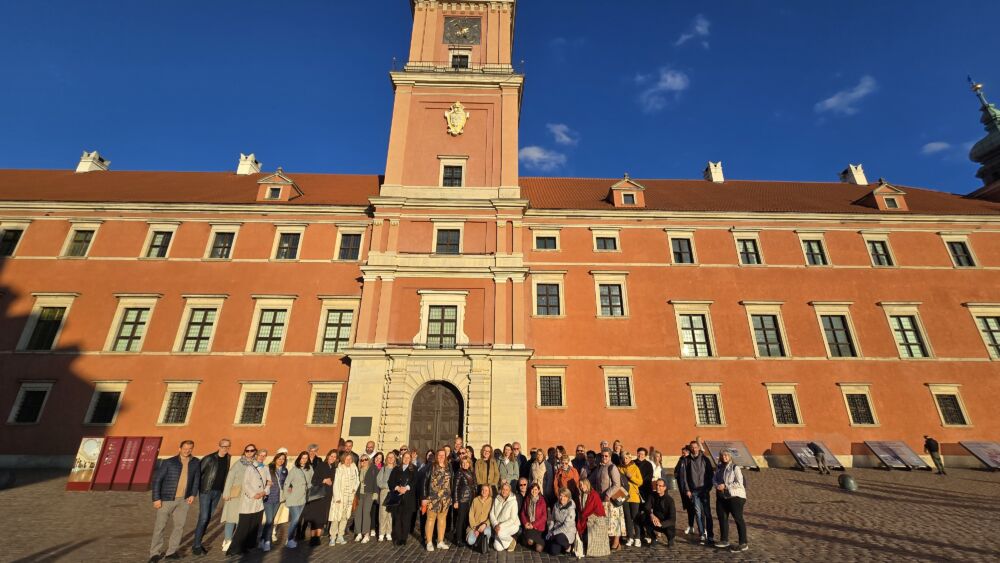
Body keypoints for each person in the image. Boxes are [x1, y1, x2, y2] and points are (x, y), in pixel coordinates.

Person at [149, 440, 200, 562]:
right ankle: (154, 553)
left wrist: (193, 494)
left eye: (190, 448)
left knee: (179, 526)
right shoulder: (169, 462)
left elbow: (196, 479)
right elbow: (157, 480)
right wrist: (156, 498)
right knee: (160, 527)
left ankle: (171, 552)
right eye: (185, 448)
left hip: (184, 500)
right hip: (166, 499)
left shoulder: (195, 462)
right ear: (179, 448)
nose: (187, 451)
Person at [227, 444, 269, 556]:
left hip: (259, 501)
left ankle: (247, 546)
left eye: (264, 456)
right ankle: (234, 548)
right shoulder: (250, 467)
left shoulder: (266, 468)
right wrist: (254, 494)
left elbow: (269, 483)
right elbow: (245, 483)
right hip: (249, 500)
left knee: (254, 524)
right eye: (260, 455)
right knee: (244, 525)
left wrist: (264, 492)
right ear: (257, 455)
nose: (262, 457)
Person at [191, 438, 230, 556]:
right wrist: (195, 491)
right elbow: (198, 473)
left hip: (217, 492)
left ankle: (198, 541)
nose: (225, 448)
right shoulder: (209, 458)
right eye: (223, 446)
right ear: (219, 446)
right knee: (203, 517)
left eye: (228, 446)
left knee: (208, 517)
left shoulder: (228, 458)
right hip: (206, 491)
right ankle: (196, 545)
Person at [220, 444, 256, 553]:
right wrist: (226, 493)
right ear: (244, 452)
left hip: (248, 496)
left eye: (252, 450)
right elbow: (230, 478)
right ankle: (227, 540)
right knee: (231, 518)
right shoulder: (238, 463)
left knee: (242, 519)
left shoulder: (256, 464)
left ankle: (237, 540)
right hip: (235, 494)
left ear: (255, 451)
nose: (249, 452)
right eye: (247, 450)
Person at [679, 441, 714, 544]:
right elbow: (684, 476)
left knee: (707, 513)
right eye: (692, 447)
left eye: (695, 447)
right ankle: (702, 534)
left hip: (704, 490)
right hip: (694, 491)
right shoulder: (686, 460)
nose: (694, 449)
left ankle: (710, 535)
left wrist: (708, 488)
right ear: (690, 448)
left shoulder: (705, 459)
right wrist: (687, 489)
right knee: (698, 513)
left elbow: (710, 475)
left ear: (698, 447)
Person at [713, 450, 748, 552]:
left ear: (730, 456)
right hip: (721, 496)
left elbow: (740, 482)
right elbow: (714, 479)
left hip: (735, 496)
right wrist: (716, 485)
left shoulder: (735, 467)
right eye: (722, 455)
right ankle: (724, 540)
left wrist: (725, 486)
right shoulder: (719, 467)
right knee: (722, 518)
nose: (724, 457)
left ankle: (743, 543)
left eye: (726, 455)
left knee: (738, 519)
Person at [593, 448, 625, 550]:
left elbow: (617, 484)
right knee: (608, 521)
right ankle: (611, 541)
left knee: (614, 521)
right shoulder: (600, 467)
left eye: (606, 456)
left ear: (610, 456)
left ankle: (616, 543)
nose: (604, 457)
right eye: (602, 456)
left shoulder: (612, 467)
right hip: (602, 499)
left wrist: (608, 494)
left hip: (611, 499)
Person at [422, 449, 453, 551]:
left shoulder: (449, 466)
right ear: (436, 456)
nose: (441, 457)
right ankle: (429, 542)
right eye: (439, 455)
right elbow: (425, 481)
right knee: (431, 518)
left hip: (445, 498)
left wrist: (451, 495)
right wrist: (424, 497)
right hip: (433, 497)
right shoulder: (431, 466)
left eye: (443, 455)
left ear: (445, 456)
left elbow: (451, 481)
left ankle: (440, 541)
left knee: (442, 519)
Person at [302, 449, 335, 546]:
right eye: (331, 456)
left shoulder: (334, 468)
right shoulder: (321, 465)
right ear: (328, 456)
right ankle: (313, 537)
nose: (332, 458)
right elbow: (314, 480)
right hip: (319, 496)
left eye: (334, 457)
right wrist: (324, 480)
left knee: (322, 518)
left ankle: (317, 537)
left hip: (328, 496)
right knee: (316, 517)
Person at [388, 450, 418, 546]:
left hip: (408, 497)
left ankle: (404, 538)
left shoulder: (414, 469)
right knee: (397, 518)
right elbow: (390, 481)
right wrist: (397, 488)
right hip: (397, 497)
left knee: (406, 519)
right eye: (405, 457)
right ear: (402, 458)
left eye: (408, 458)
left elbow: (415, 481)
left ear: (410, 459)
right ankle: (398, 537)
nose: (406, 459)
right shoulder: (396, 468)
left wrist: (406, 488)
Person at [259, 451, 287, 551]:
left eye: (283, 459)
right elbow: (261, 480)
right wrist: (266, 483)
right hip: (268, 497)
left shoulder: (284, 470)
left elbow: (285, 482)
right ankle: (267, 541)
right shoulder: (268, 468)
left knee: (271, 520)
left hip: (278, 498)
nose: (281, 461)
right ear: (275, 459)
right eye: (279, 458)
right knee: (270, 520)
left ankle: (262, 539)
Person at [330, 451, 359, 545]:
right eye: (347, 459)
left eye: (350, 459)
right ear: (343, 460)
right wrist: (337, 497)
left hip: (349, 497)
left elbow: (357, 480)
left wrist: (354, 489)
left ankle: (340, 536)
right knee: (336, 517)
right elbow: (336, 484)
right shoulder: (339, 469)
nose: (348, 461)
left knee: (344, 517)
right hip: (340, 497)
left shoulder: (354, 468)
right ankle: (333, 537)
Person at [284, 451, 312, 549]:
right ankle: (289, 539)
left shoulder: (309, 469)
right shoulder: (294, 470)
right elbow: (287, 483)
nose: (304, 460)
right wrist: (286, 497)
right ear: (299, 458)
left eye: (306, 458)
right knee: (295, 519)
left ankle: (291, 538)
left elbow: (311, 481)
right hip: (293, 498)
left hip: (303, 498)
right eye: (302, 458)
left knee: (297, 519)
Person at [576, 476, 607, 557]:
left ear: (587, 484)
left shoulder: (593, 494)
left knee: (588, 531)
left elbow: (589, 508)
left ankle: (591, 550)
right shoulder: (582, 495)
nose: (581, 487)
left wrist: (582, 517)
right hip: (587, 517)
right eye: (580, 485)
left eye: (582, 485)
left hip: (596, 518)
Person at [620, 451, 644, 547]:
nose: (625, 460)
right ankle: (630, 537)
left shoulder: (635, 468)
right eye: (623, 458)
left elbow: (640, 482)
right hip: (623, 495)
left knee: (635, 517)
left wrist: (631, 477)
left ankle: (637, 537)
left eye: (627, 458)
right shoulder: (619, 468)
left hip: (634, 496)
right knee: (627, 517)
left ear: (630, 458)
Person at [451, 456, 476, 545]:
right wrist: (456, 501)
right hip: (462, 499)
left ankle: (464, 537)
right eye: (463, 463)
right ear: (461, 464)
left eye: (467, 463)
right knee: (460, 520)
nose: (465, 464)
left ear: (469, 464)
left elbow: (474, 485)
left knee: (466, 519)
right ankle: (458, 539)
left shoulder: (471, 472)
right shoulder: (459, 473)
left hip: (470, 499)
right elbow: (455, 488)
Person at [489, 481, 520, 551]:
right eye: (503, 489)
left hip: (512, 525)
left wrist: (500, 526)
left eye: (507, 490)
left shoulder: (513, 501)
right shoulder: (497, 499)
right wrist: (495, 524)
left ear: (509, 491)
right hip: (498, 525)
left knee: (500, 533)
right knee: (497, 548)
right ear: (501, 489)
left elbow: (512, 519)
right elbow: (491, 513)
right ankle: (509, 540)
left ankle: (511, 540)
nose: (504, 491)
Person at [645, 478, 676, 547]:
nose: (657, 487)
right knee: (643, 517)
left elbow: (673, 519)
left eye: (660, 486)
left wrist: (661, 524)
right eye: (656, 485)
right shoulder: (652, 495)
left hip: (665, 523)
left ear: (664, 488)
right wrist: (651, 515)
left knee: (670, 528)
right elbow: (647, 507)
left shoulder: (670, 500)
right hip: (655, 520)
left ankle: (670, 539)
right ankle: (653, 539)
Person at [354, 453, 378, 543]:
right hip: (359, 494)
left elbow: (376, 481)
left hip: (369, 493)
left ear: (369, 460)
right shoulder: (358, 470)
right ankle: (358, 533)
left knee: (366, 512)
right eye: (362, 460)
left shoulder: (373, 468)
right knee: (358, 513)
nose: (364, 461)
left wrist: (376, 492)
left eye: (365, 459)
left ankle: (366, 534)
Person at [546, 487, 577, 556]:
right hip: (556, 530)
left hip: (567, 532)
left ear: (568, 497)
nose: (562, 498)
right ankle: (561, 546)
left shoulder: (571, 509)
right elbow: (552, 519)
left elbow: (566, 527)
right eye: (561, 496)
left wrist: (553, 533)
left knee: (558, 537)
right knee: (553, 551)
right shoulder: (556, 505)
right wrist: (550, 530)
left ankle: (568, 547)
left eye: (565, 496)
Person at [520, 482, 548, 552]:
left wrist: (534, 524)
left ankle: (537, 541)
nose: (534, 491)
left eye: (536, 489)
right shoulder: (527, 499)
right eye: (532, 489)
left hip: (539, 528)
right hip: (529, 526)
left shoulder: (542, 501)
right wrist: (525, 523)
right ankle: (530, 540)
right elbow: (523, 513)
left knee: (539, 549)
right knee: (530, 541)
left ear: (539, 490)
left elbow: (544, 517)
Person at [376, 451, 397, 542]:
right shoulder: (383, 469)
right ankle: (381, 533)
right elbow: (378, 481)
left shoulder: (396, 469)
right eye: (389, 457)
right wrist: (387, 486)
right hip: (384, 492)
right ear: (386, 459)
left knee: (390, 513)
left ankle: (388, 532)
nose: (390, 459)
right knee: (383, 512)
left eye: (392, 457)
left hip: (393, 492)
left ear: (395, 459)